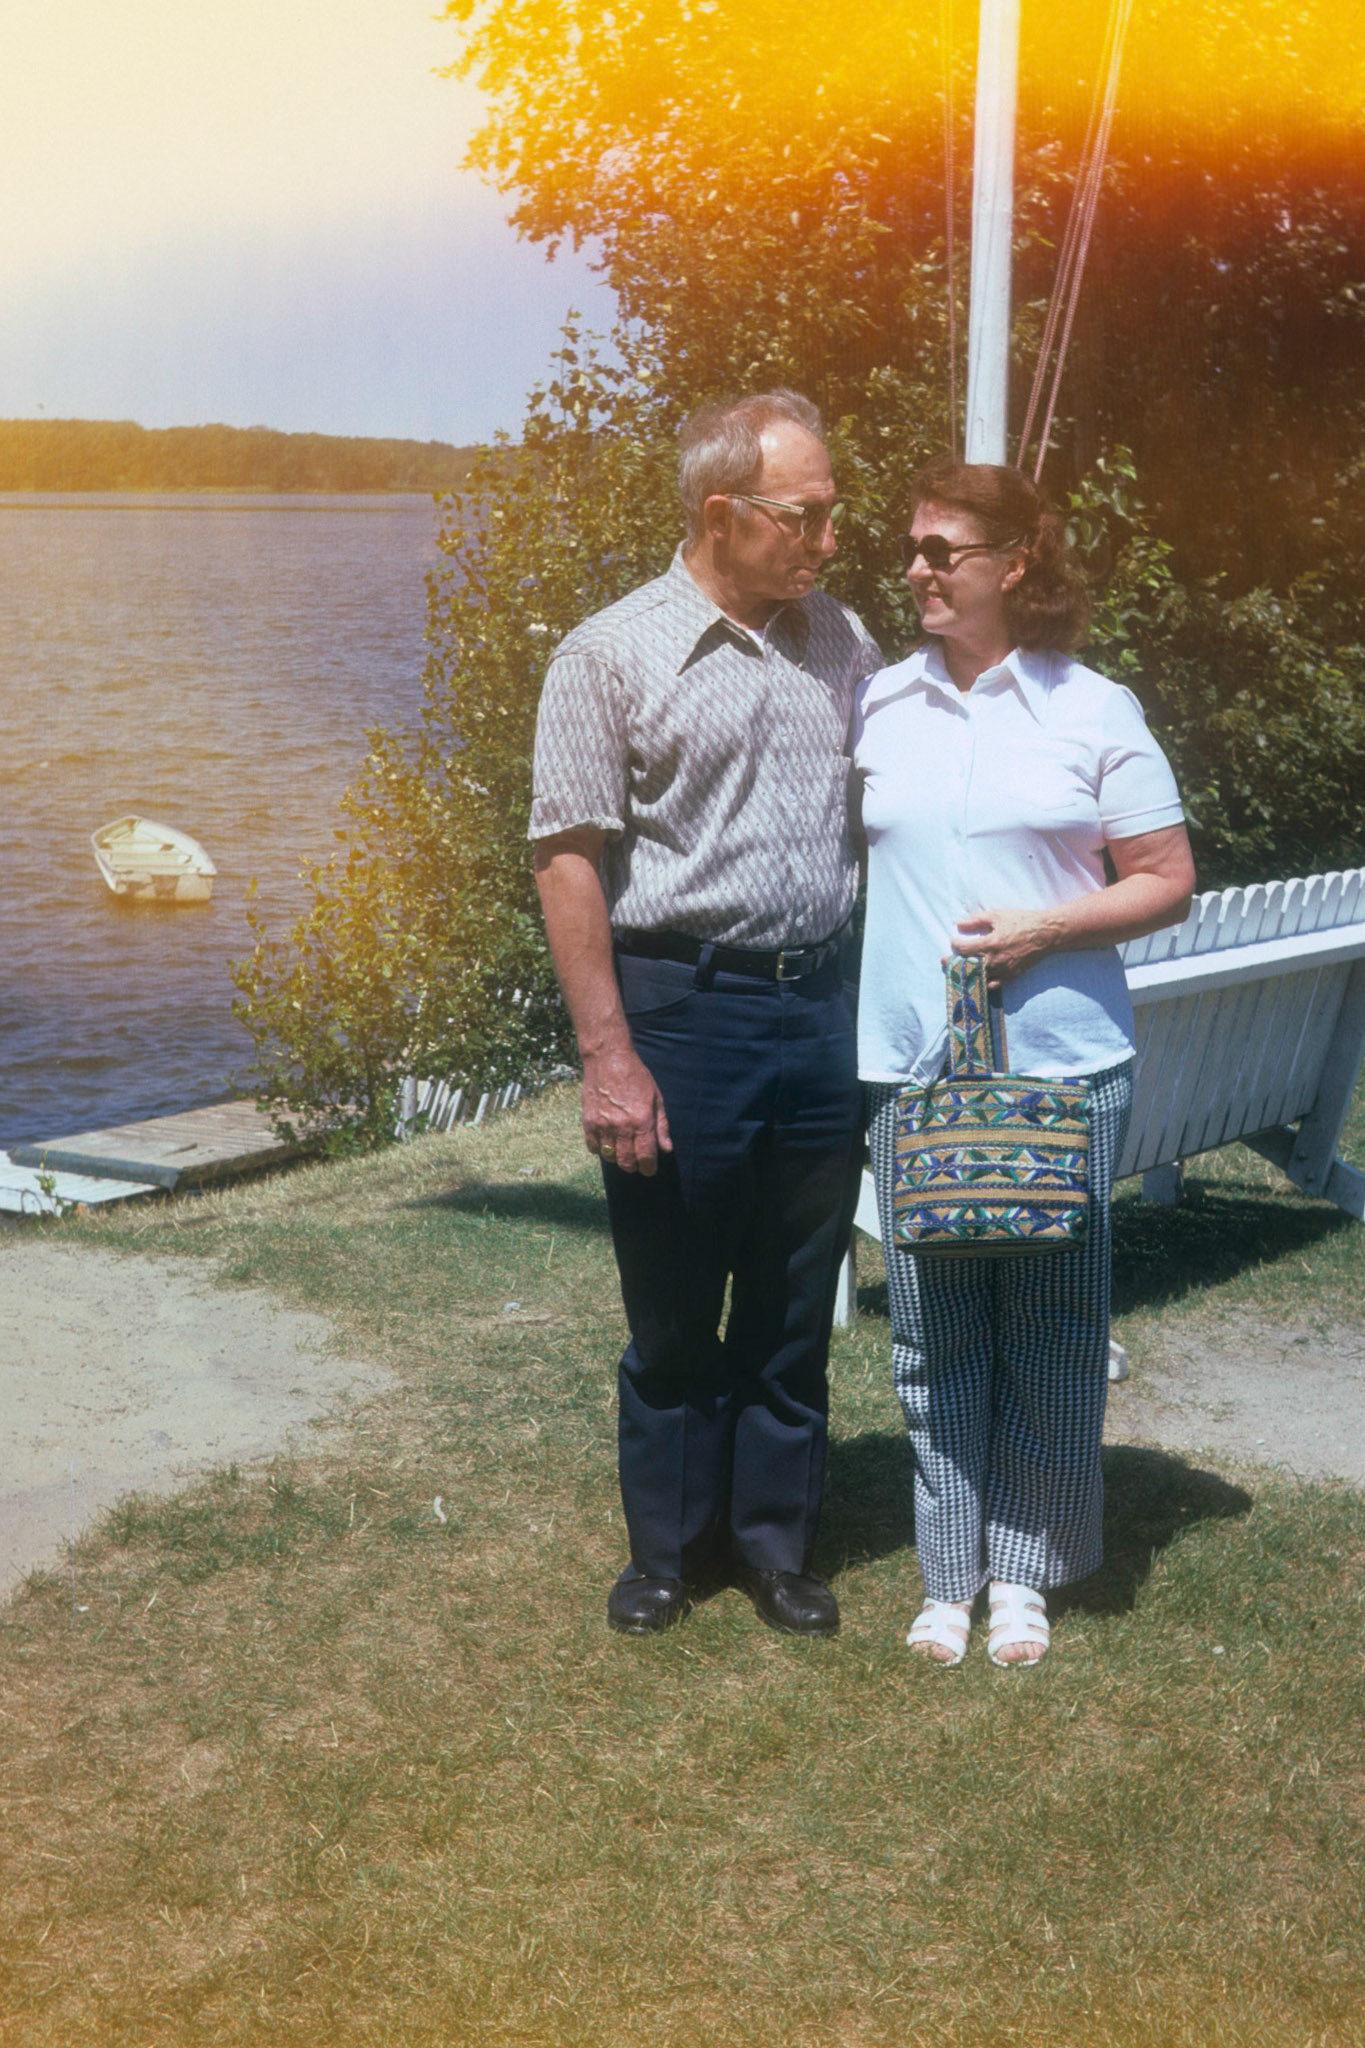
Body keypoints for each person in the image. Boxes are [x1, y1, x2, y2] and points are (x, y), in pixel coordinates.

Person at [530, 390, 881, 1636]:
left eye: (831, 515)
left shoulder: (841, 642)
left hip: (819, 1007)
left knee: (795, 1295)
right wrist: (608, 1054)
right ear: (723, 513)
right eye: (808, 515)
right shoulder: (610, 653)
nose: (829, 540)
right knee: (675, 1302)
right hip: (680, 1008)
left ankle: (778, 1544)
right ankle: (669, 1552)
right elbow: (567, 857)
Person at [853, 457, 1195, 1667]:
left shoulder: (1091, 707)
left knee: (1052, 1317)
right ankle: (948, 1571)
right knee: (934, 1322)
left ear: (1018, 566)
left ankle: (1030, 1571)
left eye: (943, 551)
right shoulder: (879, 701)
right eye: (914, 549)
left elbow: (1167, 878)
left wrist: (1048, 926)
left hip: (1061, 1062)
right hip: (915, 1063)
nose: (918, 571)